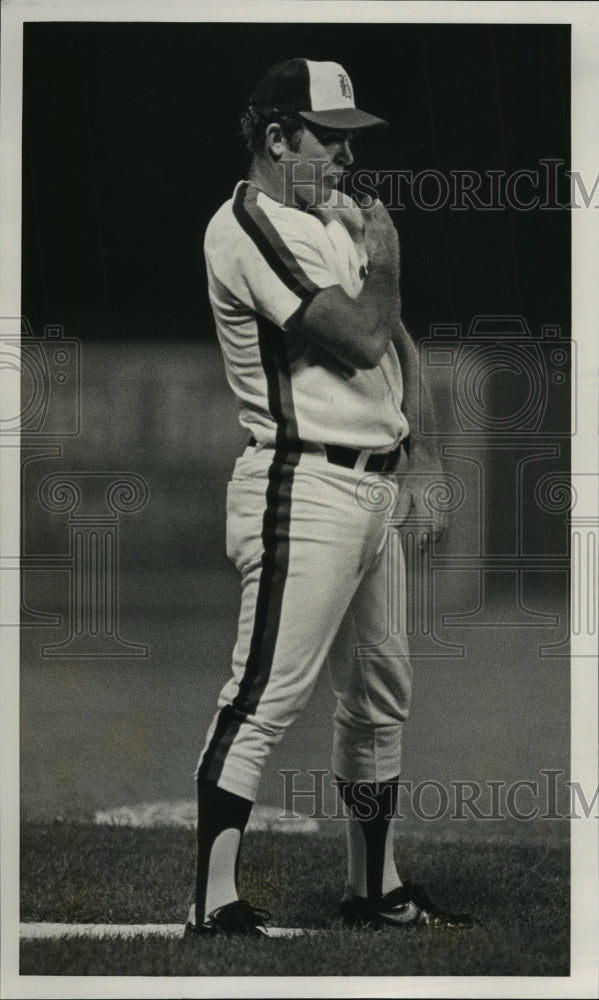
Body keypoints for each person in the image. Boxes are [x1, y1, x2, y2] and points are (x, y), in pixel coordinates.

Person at [186, 57, 472, 936]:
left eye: (350, 138)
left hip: (371, 488)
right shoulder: (244, 224)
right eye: (330, 137)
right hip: (299, 482)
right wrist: (386, 260)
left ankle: (373, 886)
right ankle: (213, 898)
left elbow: (397, 349)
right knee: (264, 694)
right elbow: (354, 335)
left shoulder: (334, 216)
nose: (345, 157)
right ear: (277, 138)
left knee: (380, 694)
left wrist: (420, 461)